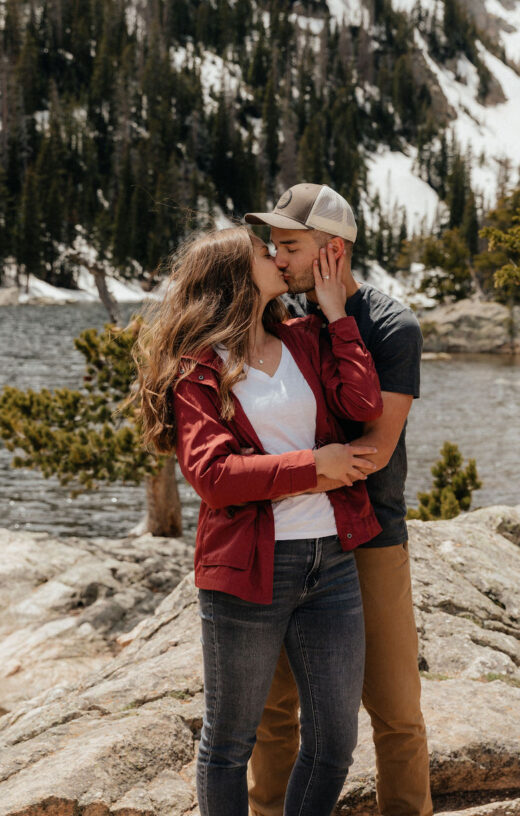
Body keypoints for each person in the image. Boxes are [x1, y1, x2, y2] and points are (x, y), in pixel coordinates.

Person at [131, 225, 385, 816]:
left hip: (332, 560)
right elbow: (214, 477)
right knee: (228, 744)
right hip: (250, 572)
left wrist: (334, 312)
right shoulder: (197, 370)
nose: (276, 257)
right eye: (261, 253)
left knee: (335, 743)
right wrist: (313, 467)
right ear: (233, 277)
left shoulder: (303, 337)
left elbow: (366, 405)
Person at [245, 184, 433, 816]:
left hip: (372, 536)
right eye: (273, 245)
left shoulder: (390, 325)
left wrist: (271, 475)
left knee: (395, 707)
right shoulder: (289, 327)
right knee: (275, 711)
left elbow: (376, 450)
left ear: (333, 249)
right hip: (292, 537)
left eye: (290, 245)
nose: (277, 256)